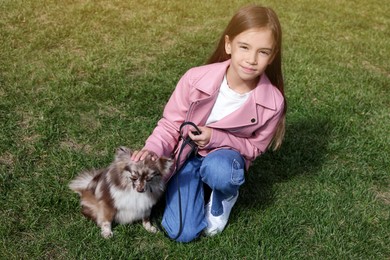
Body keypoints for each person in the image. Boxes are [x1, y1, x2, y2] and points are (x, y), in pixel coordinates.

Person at [131, 4, 286, 242]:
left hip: (226, 161)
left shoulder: (273, 102)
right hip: (186, 158)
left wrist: (215, 137)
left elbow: (254, 149)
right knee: (183, 232)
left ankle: (224, 194)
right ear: (228, 45)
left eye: (263, 52)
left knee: (219, 170)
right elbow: (170, 125)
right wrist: (153, 150)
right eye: (244, 47)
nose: (252, 59)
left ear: (272, 55)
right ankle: (196, 185)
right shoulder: (195, 78)